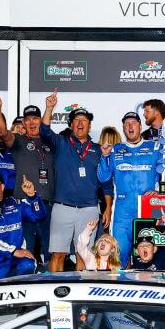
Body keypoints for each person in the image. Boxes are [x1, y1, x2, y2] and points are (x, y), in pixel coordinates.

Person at [38, 90, 112, 272]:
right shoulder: (61, 143)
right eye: (76, 120)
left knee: (82, 252)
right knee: (58, 253)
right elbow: (44, 131)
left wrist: (108, 208)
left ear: (89, 125)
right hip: (63, 207)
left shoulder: (97, 149)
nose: (80, 123)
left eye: (84, 120)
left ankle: (78, 294)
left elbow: (106, 182)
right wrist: (49, 108)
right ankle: (54, 290)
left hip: (89, 210)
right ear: (71, 124)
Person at [0, 94, 55, 272]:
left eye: (36, 118)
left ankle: (49, 284)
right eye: (28, 119)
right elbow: (3, 132)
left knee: (50, 250)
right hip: (24, 204)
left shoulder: (51, 141)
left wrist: (49, 108)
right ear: (24, 123)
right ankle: (27, 283)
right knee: (26, 249)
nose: (32, 122)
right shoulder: (18, 141)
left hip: (48, 204)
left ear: (41, 120)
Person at [99, 111, 161, 251]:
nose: (130, 126)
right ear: (123, 128)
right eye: (126, 124)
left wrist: (160, 191)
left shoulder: (155, 147)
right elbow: (103, 177)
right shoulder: (115, 149)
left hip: (148, 207)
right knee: (120, 255)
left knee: (147, 256)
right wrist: (105, 156)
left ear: (140, 126)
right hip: (122, 211)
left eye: (133, 123)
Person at [0, 171, 45, 281]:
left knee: (28, 264)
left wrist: (32, 196)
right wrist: (14, 251)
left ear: (2, 187)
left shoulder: (14, 203)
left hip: (17, 260)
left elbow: (38, 215)